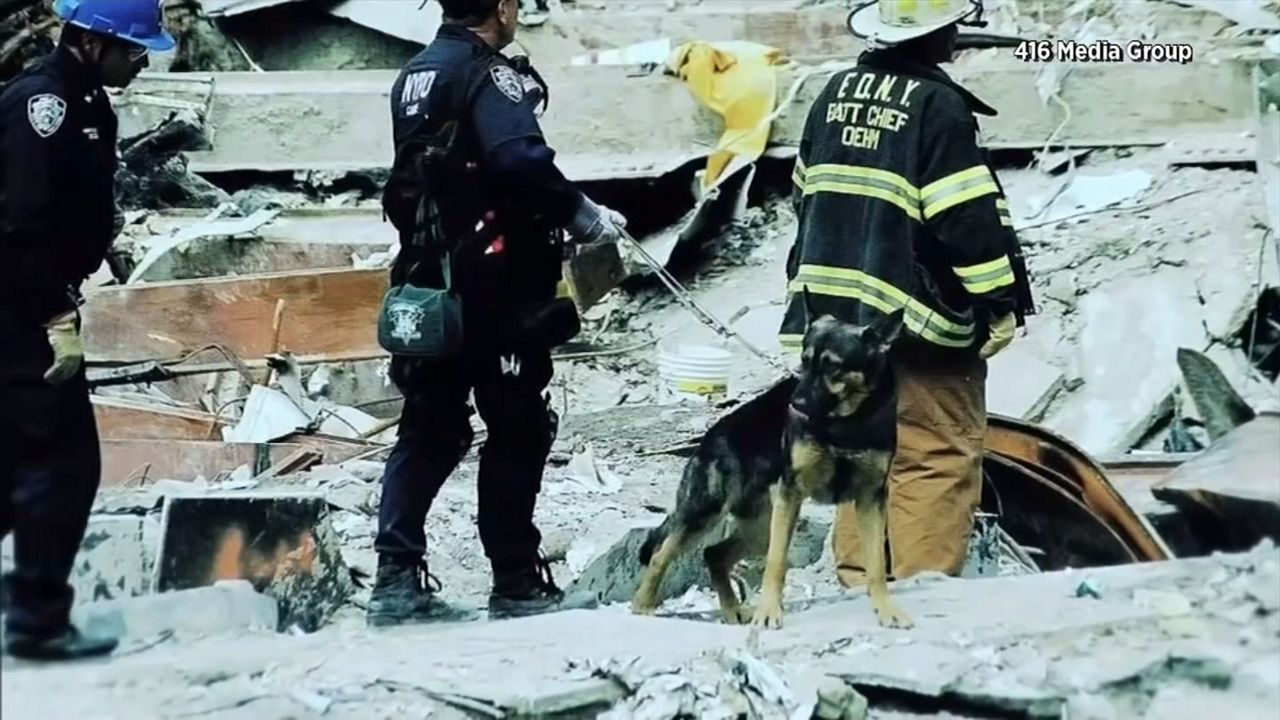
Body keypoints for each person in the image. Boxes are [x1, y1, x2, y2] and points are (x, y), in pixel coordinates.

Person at [369, 0, 626, 626]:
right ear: (503, 7)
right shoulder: (491, 74)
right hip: (494, 288)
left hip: (429, 280)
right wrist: (583, 216)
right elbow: (519, 159)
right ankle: (515, 581)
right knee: (516, 427)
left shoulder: (415, 75)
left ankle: (395, 581)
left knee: (428, 427)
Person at [779, 0, 1036, 587]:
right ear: (934, 35)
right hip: (916, 321)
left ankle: (856, 590)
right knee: (936, 452)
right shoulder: (938, 106)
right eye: (950, 28)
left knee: (860, 446)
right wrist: (996, 301)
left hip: (837, 319)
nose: (956, 38)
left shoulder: (835, 92)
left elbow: (804, 197)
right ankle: (924, 599)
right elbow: (963, 218)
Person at [0, 0, 174, 660]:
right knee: (63, 464)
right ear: (91, 41)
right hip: (20, 308)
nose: (143, 58)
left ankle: (35, 615)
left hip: (31, 302)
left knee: (13, 466)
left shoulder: (89, 103)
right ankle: (38, 624)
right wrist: (53, 312)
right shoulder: (40, 105)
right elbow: (23, 223)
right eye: (134, 47)